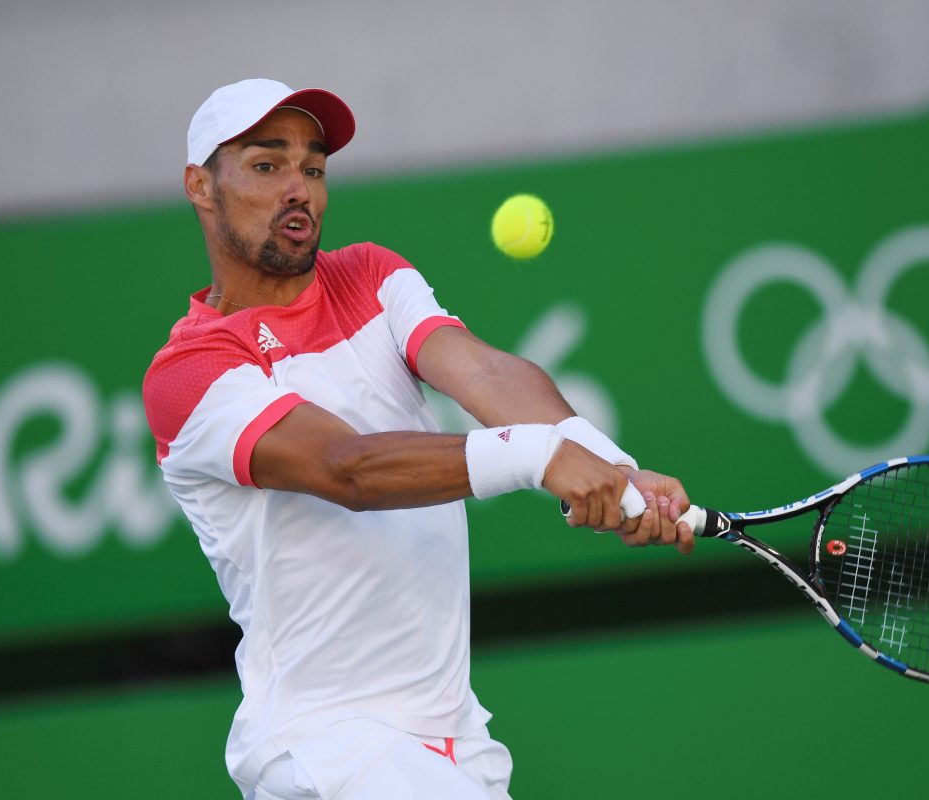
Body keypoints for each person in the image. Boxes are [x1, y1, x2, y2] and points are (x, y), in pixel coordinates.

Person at [143, 78, 694, 800]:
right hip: (324, 746)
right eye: (266, 165)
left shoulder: (371, 274)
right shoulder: (191, 371)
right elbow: (349, 469)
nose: (298, 189)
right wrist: (538, 457)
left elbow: (483, 370)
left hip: (451, 743)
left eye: (313, 169)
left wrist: (613, 466)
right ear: (201, 187)